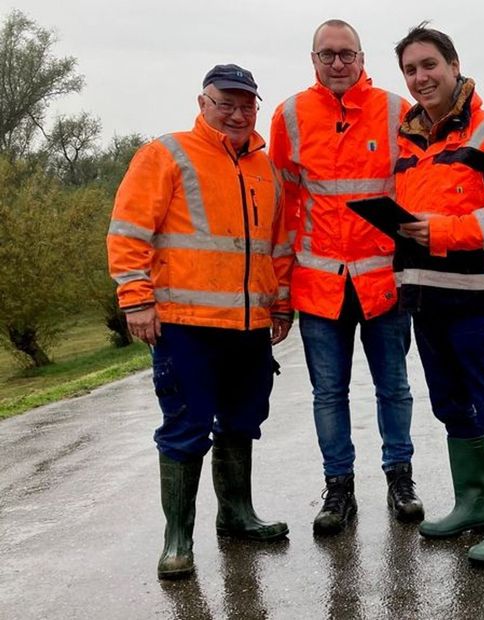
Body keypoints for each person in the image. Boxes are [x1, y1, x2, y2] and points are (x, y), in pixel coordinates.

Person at [107, 64, 293, 580]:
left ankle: (236, 514)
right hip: (185, 324)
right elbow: (127, 232)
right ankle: (177, 539)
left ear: (257, 107)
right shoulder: (167, 154)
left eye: (246, 104)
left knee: (242, 420)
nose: (237, 113)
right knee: (185, 426)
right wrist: (136, 299)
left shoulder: (265, 168)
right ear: (203, 102)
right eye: (225, 102)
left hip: (250, 326)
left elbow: (278, 244)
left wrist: (280, 301)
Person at [269, 19, 422, 534]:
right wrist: (282, 289)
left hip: (383, 283)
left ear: (362, 59)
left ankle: (400, 479)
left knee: (394, 387)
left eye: (347, 54)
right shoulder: (289, 116)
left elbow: (416, 194)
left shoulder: (397, 112)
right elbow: (284, 206)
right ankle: (339, 490)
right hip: (319, 286)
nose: (338, 64)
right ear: (313, 59)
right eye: (327, 55)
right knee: (328, 394)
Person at [392, 23, 484, 564]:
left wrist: (441, 232)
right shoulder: (408, 143)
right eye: (410, 70)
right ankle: (473, 503)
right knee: (450, 404)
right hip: (425, 300)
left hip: (479, 299)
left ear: (454, 66)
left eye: (429, 65)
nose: (420, 77)